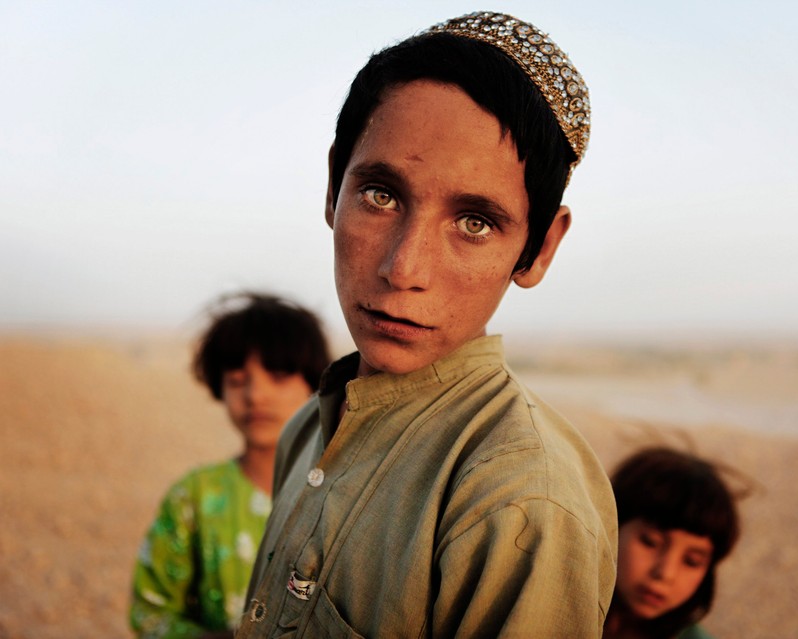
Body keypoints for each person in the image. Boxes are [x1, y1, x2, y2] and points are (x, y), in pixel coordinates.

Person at [235, 11, 617, 638]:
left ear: (540, 248)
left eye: (475, 222)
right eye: (381, 194)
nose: (404, 267)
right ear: (334, 186)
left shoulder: (518, 503)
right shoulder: (307, 428)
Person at [130, 292, 332, 638]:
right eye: (238, 380)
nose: (255, 395)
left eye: (278, 376)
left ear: (314, 383)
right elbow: (149, 611)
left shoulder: (344, 495)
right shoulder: (195, 496)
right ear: (218, 387)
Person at [603, 447, 741, 639]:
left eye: (691, 561)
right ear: (610, 526)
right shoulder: (554, 609)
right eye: (650, 542)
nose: (665, 573)